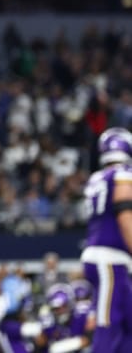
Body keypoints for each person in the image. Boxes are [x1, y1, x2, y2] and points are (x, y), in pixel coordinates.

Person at [80, 126, 132, 352]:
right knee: (108, 324)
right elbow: (124, 213)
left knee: (128, 323)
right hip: (111, 259)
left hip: (104, 256)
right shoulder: (123, 174)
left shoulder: (96, 178)